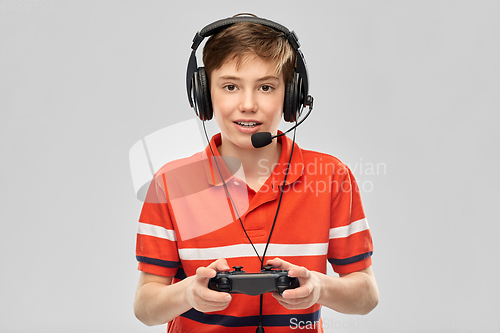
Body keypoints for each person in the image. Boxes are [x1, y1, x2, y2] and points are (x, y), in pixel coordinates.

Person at [133, 14, 379, 333]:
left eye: (265, 86)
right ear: (204, 95)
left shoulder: (331, 177)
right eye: (231, 86)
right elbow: (145, 308)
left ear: (292, 97)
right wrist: (188, 292)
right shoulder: (170, 184)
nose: (248, 104)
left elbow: (367, 295)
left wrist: (320, 287)